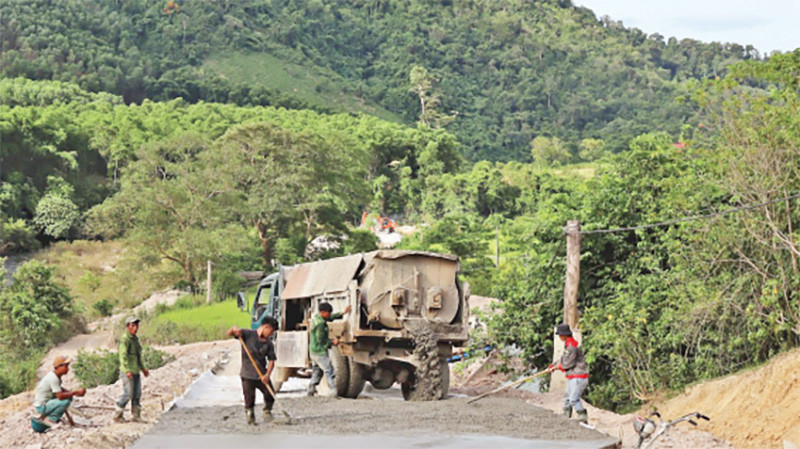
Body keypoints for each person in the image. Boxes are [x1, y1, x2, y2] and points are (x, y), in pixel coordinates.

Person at [227, 316, 279, 425]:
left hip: (261, 375)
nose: (271, 334)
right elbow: (231, 333)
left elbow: (271, 361)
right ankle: (250, 418)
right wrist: (234, 329)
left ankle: (267, 412)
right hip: (247, 374)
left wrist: (267, 375)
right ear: (266, 327)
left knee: (270, 394)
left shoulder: (268, 344)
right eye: (271, 331)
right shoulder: (247, 334)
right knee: (249, 399)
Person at [547, 323, 590, 423]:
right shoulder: (567, 345)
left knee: (574, 399)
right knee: (567, 397)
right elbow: (563, 359)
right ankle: (566, 416)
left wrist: (557, 367)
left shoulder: (572, 346)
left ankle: (582, 416)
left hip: (579, 376)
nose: (560, 337)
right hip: (572, 376)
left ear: (564, 335)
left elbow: (568, 363)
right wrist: (553, 365)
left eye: (560, 335)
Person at [307, 302, 351, 397]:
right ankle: (333, 391)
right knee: (329, 370)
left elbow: (330, 317)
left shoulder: (316, 317)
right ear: (323, 312)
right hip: (319, 351)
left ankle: (311, 390)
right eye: (328, 313)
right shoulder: (321, 324)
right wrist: (332, 342)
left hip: (313, 350)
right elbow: (321, 340)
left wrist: (342, 313)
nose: (329, 315)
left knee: (317, 371)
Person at [32, 355, 86, 429]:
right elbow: (60, 396)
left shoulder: (56, 377)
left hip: (46, 403)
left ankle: (51, 417)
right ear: (58, 367)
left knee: (68, 398)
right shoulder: (53, 378)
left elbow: (60, 389)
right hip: (42, 406)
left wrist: (76, 393)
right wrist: (75, 392)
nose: (67, 369)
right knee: (65, 401)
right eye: (65, 366)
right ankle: (49, 419)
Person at [114, 316, 149, 423]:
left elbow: (138, 356)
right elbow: (122, 356)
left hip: (135, 371)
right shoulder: (125, 339)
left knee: (137, 394)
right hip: (128, 371)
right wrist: (127, 370)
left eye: (136, 325)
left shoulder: (135, 340)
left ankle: (136, 415)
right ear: (128, 327)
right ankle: (118, 415)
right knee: (128, 393)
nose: (135, 328)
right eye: (132, 325)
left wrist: (143, 368)